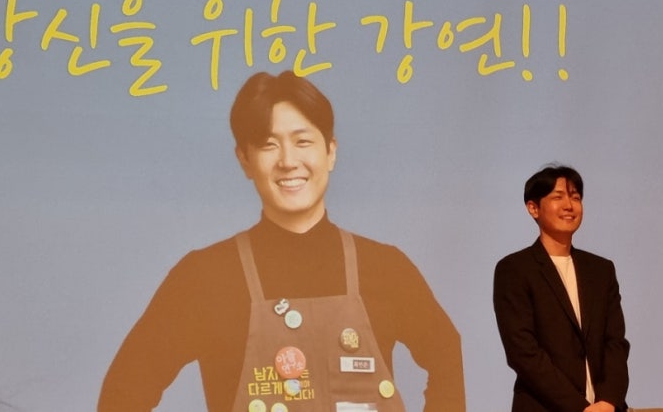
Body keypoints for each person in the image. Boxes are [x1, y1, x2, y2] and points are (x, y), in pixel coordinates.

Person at [98, 70, 465, 412]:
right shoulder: (204, 277)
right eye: (268, 145)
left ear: (330, 152)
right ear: (244, 160)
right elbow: (123, 392)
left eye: (303, 141)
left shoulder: (386, 268)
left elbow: (446, 352)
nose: (289, 161)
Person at [492, 164, 629, 412]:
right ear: (533, 208)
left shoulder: (601, 270)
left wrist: (609, 401)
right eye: (558, 197)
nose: (569, 205)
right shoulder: (514, 269)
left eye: (575, 197)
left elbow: (615, 343)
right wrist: (580, 408)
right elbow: (522, 351)